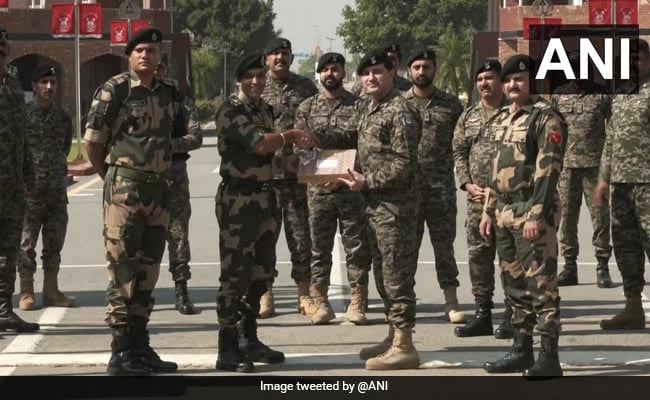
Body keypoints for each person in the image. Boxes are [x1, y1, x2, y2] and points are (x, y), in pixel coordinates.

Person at [84, 28, 178, 376]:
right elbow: (93, 141)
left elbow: (182, 134)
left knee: (147, 273)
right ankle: (119, 352)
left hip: (157, 193)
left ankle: (140, 346)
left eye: (151, 50)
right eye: (139, 50)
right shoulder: (115, 90)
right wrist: (109, 176)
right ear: (129, 55)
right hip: (125, 192)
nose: (145, 56)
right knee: (122, 271)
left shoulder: (169, 92)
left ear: (159, 56)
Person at [214, 53, 317, 372]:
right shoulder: (230, 110)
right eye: (250, 77)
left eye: (260, 76)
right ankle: (227, 348)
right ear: (239, 80)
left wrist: (291, 163)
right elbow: (259, 144)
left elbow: (269, 157)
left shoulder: (266, 110)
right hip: (238, 201)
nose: (257, 82)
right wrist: (290, 137)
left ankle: (249, 338)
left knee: (261, 274)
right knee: (235, 276)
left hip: (266, 198)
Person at [333, 49, 421, 370]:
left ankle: (405, 345)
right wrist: (311, 139)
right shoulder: (371, 108)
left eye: (378, 72)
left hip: (395, 208)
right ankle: (393, 335)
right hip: (374, 207)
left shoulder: (401, 111)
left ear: (391, 73)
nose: (370, 78)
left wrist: (366, 181)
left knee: (397, 276)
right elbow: (351, 139)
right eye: (365, 73)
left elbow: (405, 164)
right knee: (384, 275)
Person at [479, 55, 566, 377]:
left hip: (531, 211)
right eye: (508, 80)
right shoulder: (504, 117)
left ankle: (549, 356)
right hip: (503, 212)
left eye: (520, 78)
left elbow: (548, 170)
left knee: (541, 286)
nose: (513, 84)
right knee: (514, 285)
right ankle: (521, 349)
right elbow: (494, 170)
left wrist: (536, 215)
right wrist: (489, 211)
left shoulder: (546, 118)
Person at [294, 52, 371, 325]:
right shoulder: (306, 108)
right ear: (319, 73)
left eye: (335, 69)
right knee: (319, 248)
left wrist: (344, 173)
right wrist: (325, 174)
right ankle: (320, 301)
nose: (330, 74)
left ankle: (358, 301)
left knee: (357, 247)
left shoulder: (360, 106)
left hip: (350, 188)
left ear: (343, 71)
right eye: (325, 70)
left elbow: (365, 146)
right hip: (318, 190)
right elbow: (302, 148)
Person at [403, 48, 466, 324]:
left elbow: (464, 146)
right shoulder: (398, 104)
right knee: (406, 249)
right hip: (406, 190)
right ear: (408, 71)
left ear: (435, 70)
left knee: (444, 248)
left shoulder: (451, 106)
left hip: (441, 189)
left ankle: (451, 302)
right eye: (416, 67)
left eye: (426, 67)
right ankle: (405, 302)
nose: (421, 72)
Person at [452, 59, 514, 339]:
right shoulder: (469, 116)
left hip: (508, 200)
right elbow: (458, 152)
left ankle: (513, 315)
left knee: (509, 258)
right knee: (479, 258)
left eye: (489, 78)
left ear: (500, 81)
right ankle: (483, 314)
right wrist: (465, 183)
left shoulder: (514, 113)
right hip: (477, 201)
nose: (484, 84)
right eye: (479, 79)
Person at [260, 37, 319, 318]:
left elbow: (315, 126)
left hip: (299, 176)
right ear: (266, 59)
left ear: (292, 58)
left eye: (284, 54)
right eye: (274, 54)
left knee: (301, 238)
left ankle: (304, 294)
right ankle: (265, 294)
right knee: (265, 237)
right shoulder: (257, 87)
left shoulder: (306, 87)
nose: (279, 58)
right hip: (267, 176)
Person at [595, 39, 650, 330]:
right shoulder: (621, 95)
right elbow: (611, 140)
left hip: (647, 183)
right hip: (621, 185)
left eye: (637, 59)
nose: (632, 65)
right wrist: (604, 178)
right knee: (626, 247)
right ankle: (632, 307)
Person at [552, 52, 613, 288]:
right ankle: (569, 267)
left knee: (600, 217)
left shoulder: (601, 94)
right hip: (566, 168)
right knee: (567, 218)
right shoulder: (559, 96)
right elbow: (552, 131)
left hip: (595, 168)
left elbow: (613, 127)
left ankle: (602, 265)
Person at [17, 66, 75, 311]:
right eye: (44, 82)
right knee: (26, 245)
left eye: (52, 82)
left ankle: (51, 291)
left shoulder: (63, 117)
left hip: (56, 193)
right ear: (34, 86)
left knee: (54, 244)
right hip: (29, 195)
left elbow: (64, 148)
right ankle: (26, 292)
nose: (49, 87)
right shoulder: (23, 116)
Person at [0, 26, 40, 333]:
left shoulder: (12, 85)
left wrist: (29, 171)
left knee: (8, 248)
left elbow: (22, 133)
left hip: (11, 184)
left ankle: (3, 310)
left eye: (4, 41)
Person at [155, 57, 203, 315]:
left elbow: (196, 136)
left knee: (178, 235)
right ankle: (137, 293)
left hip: (173, 175)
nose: (156, 70)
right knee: (139, 237)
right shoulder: (131, 98)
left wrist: (168, 146)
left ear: (166, 69)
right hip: (141, 178)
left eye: (160, 66)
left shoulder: (180, 100)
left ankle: (181, 288)